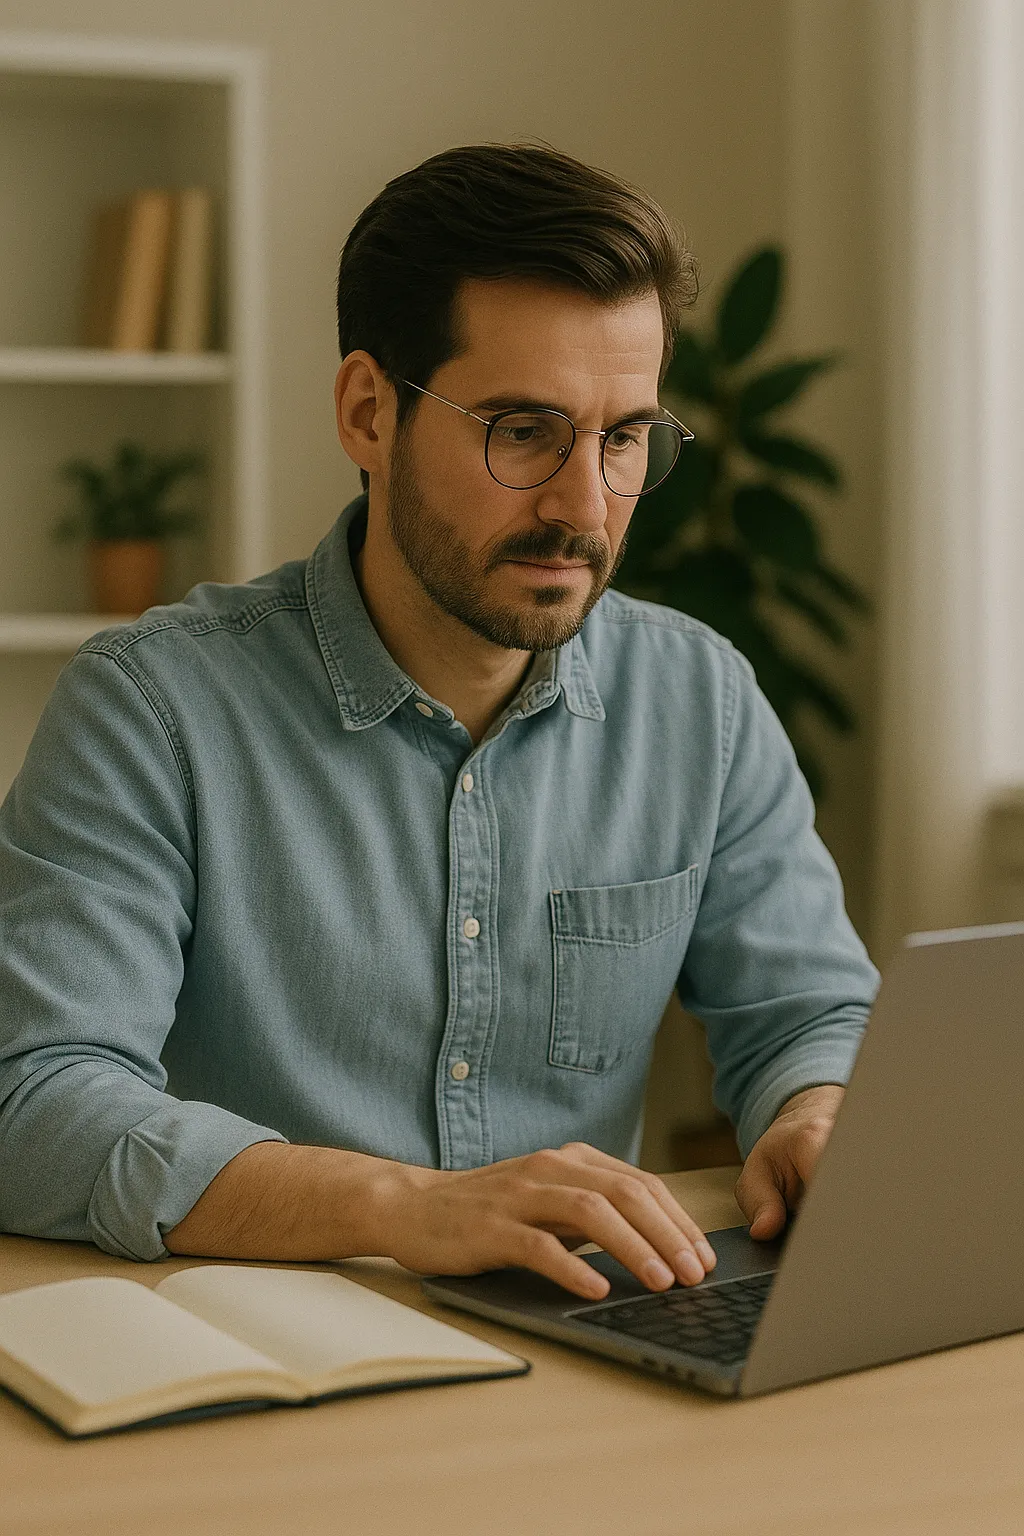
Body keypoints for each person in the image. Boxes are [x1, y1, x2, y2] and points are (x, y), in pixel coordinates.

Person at [0, 145, 877, 1303]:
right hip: (262, 1360)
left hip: (583, 1344)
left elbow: (812, 1011)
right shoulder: (153, 707)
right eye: (523, 430)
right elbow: (38, 1100)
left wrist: (818, 1115)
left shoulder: (699, 701)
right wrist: (402, 1208)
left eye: (624, 439)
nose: (583, 505)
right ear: (368, 412)